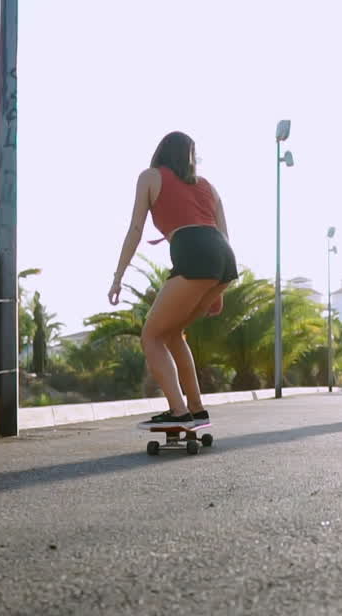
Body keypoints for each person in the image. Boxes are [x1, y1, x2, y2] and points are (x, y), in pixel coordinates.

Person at [108, 131, 238, 426]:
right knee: (172, 334)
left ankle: (179, 412)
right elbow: (225, 237)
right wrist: (218, 289)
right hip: (224, 259)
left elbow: (135, 230)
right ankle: (196, 408)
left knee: (151, 336)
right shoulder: (209, 187)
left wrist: (118, 277)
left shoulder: (150, 177)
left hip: (195, 254)